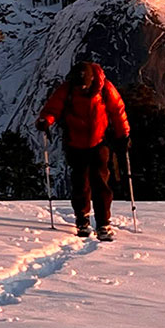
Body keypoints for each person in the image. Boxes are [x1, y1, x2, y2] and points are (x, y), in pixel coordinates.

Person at [36, 60, 131, 240]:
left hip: (99, 142)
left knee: (100, 182)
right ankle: (82, 220)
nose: (82, 89)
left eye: (84, 86)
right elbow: (53, 108)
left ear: (92, 79)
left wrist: (123, 134)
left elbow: (117, 110)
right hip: (75, 143)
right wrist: (45, 120)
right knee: (81, 183)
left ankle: (103, 223)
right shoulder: (68, 89)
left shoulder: (104, 88)